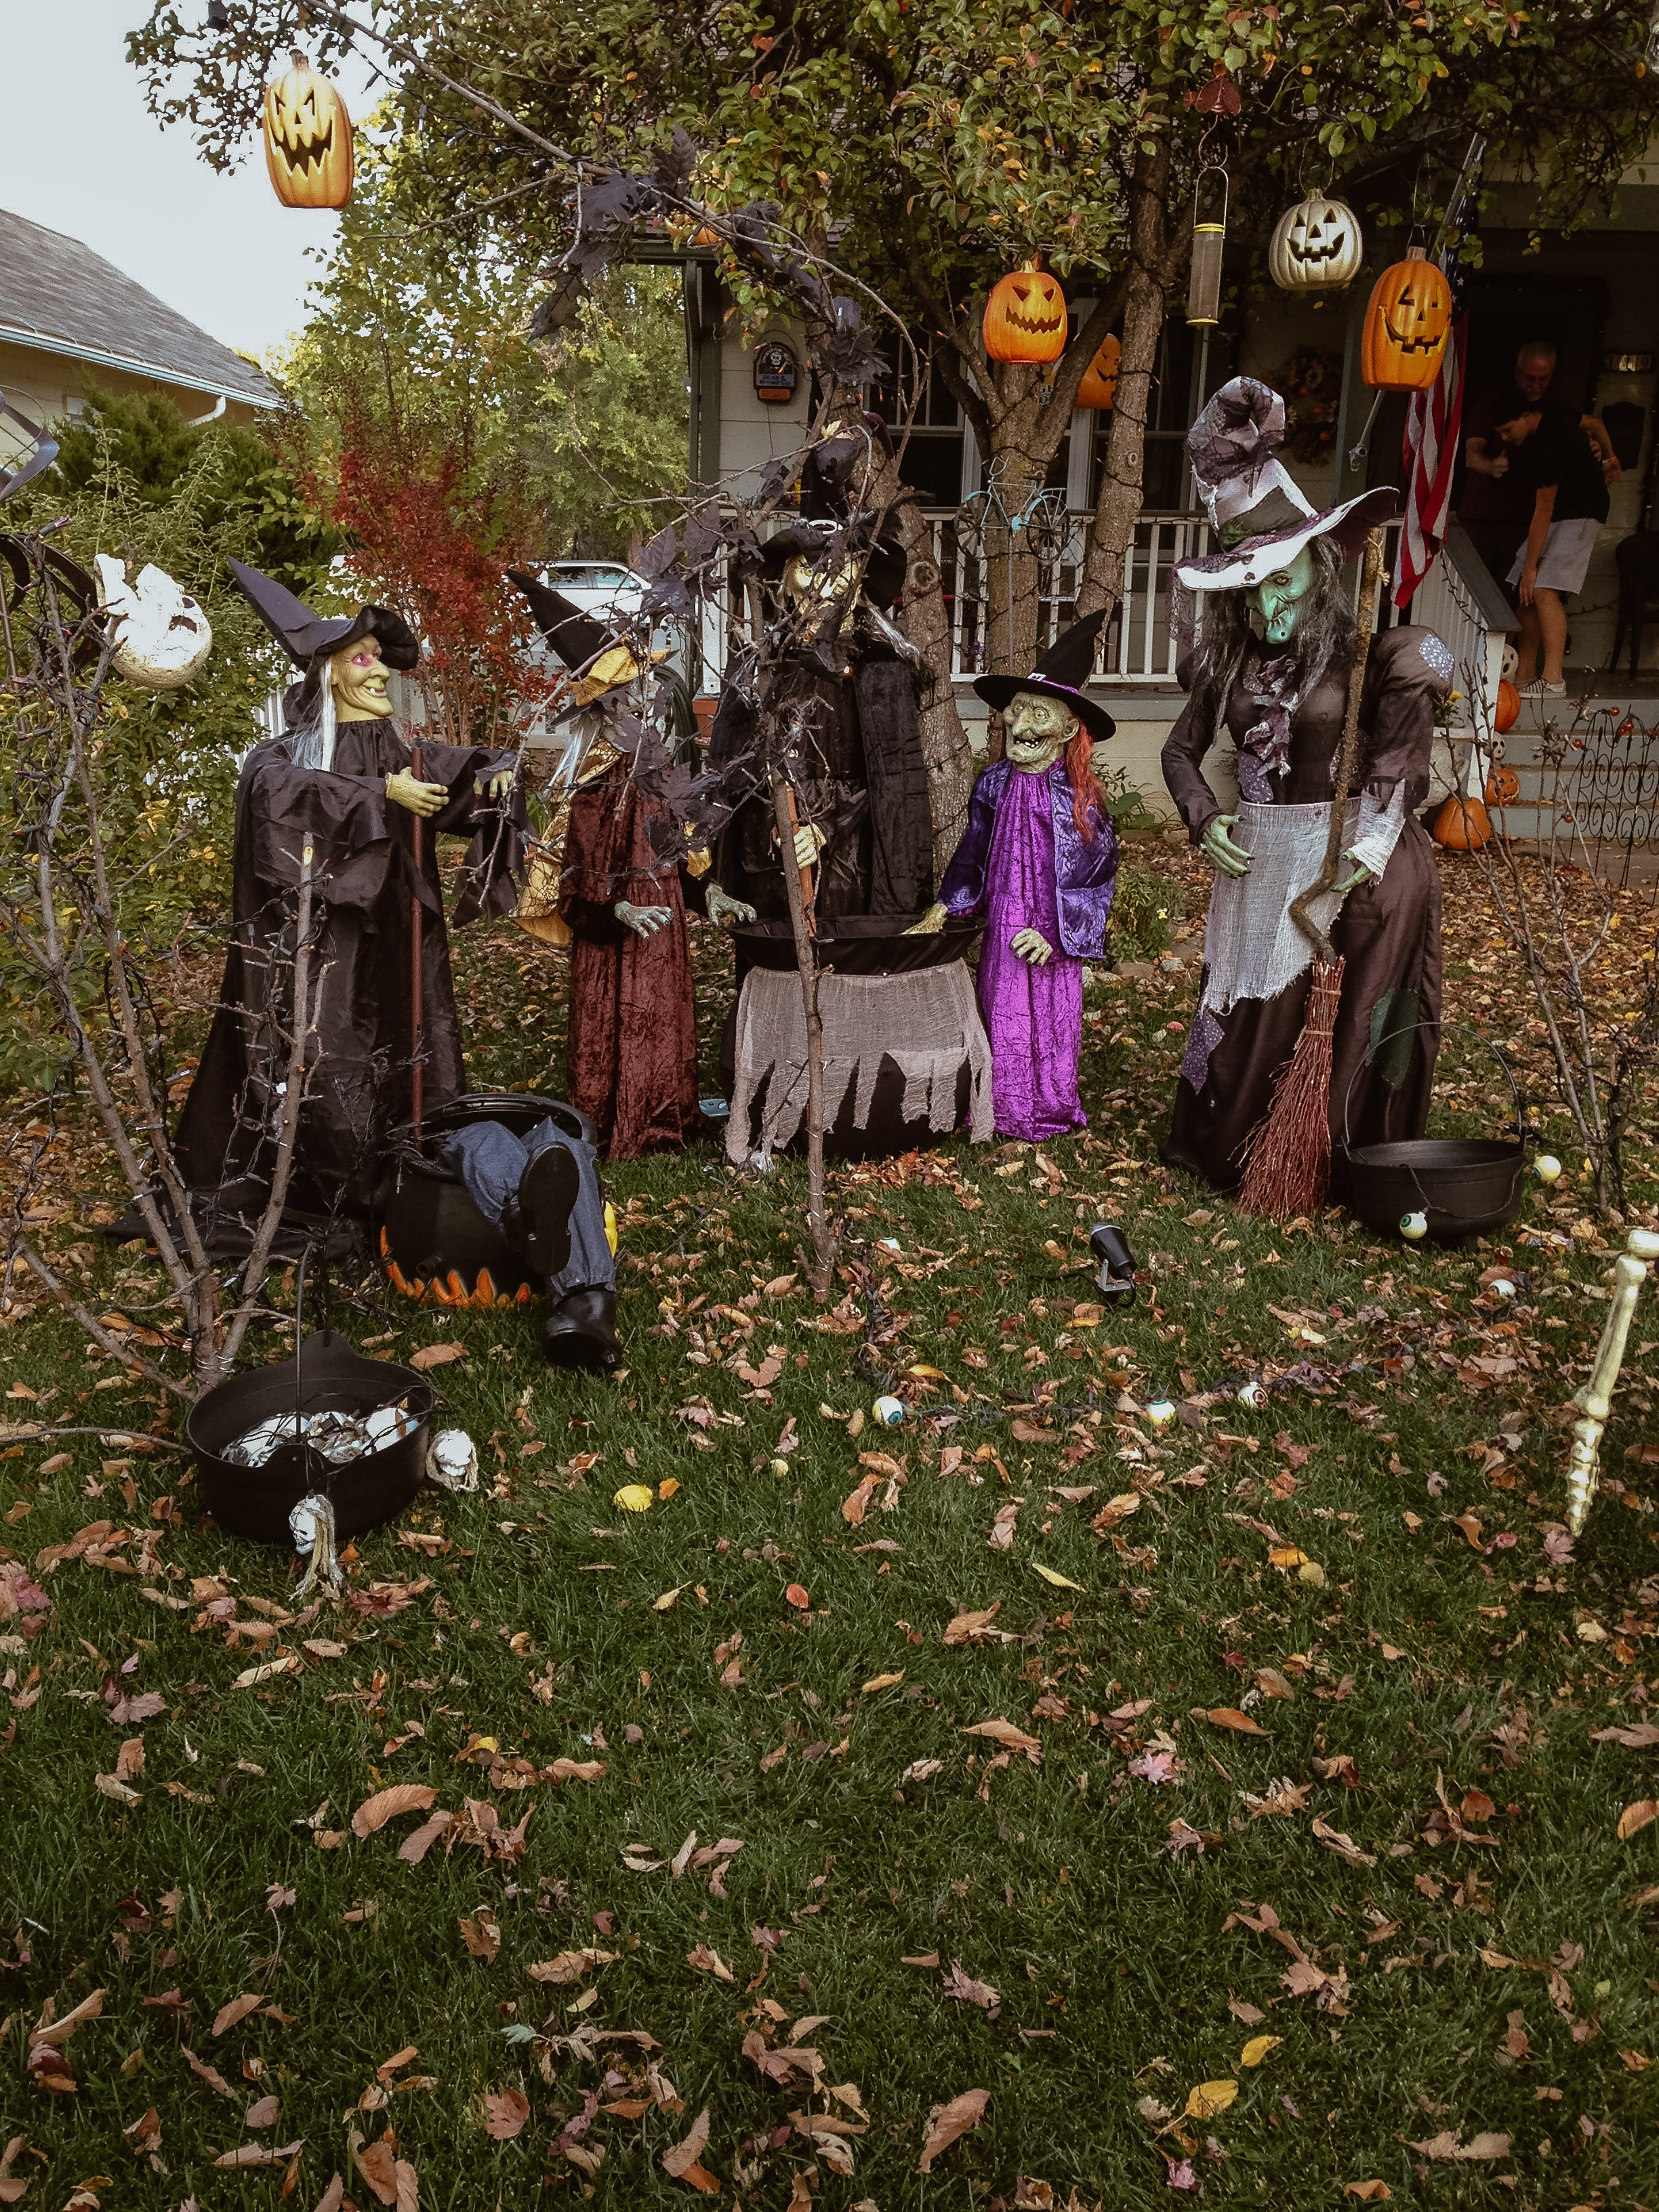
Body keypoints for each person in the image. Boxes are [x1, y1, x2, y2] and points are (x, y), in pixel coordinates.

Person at [1160, 377, 1450, 1193]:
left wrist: (1373, 838)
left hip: (1357, 863)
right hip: (1259, 859)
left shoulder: (1373, 659)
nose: (1267, 602)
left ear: (1321, 569)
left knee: (1347, 1010)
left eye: (1282, 580)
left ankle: (1338, 1161)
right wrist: (1202, 818)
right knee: (1248, 997)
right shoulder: (1225, 664)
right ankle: (1239, 1150)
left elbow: (1413, 717)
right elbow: (1180, 751)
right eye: (1249, 586)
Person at [174, 562, 525, 1226]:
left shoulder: (392, 749)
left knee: (408, 1036)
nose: (379, 671)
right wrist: (378, 794)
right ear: (329, 673)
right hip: (322, 947)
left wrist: (494, 772)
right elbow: (279, 798)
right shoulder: (285, 758)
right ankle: (332, 1184)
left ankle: (406, 1163)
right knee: (328, 1048)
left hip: (396, 940)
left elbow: (444, 771)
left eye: (379, 659)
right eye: (363, 659)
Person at [508, 572, 754, 1158]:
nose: (644, 703)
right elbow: (574, 885)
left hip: (662, 938)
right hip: (616, 953)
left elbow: (675, 855)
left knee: (663, 1023)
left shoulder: (657, 769)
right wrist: (614, 908)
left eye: (643, 688)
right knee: (622, 1027)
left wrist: (708, 893)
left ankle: (667, 1112)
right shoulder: (595, 784)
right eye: (628, 693)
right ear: (601, 706)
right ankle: (622, 1115)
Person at [910, 611, 1119, 1143]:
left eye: (1038, 714)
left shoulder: (1080, 801)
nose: (1020, 725)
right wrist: (946, 905)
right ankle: (999, 1102)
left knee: (1048, 1012)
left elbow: (1095, 878)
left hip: (1050, 929)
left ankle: (1046, 1103)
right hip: (1005, 916)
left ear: (1068, 730)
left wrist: (1057, 936)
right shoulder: (994, 782)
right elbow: (973, 850)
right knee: (1000, 1002)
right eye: (1017, 710)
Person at [430, 1113, 622, 1370]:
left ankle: (590, 1310)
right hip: (452, 1126)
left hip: (518, 1141)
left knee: (558, 1144)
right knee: (487, 1134)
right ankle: (528, 1217)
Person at [1458, 340, 1620, 609]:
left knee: (1527, 595)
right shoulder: (1496, 403)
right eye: (1529, 378)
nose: (1535, 385)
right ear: (1517, 374)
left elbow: (1593, 426)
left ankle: (1517, 639)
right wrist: (1492, 466)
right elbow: (1471, 455)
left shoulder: (1556, 410)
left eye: (1543, 379)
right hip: (1487, 514)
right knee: (1480, 593)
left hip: (1536, 517)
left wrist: (1606, 457)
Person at [1485, 396, 1612, 698]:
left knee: (1542, 589)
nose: (1506, 438)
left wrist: (1532, 568)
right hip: (1560, 514)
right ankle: (1525, 675)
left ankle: (1553, 680)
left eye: (1507, 430)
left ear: (1525, 415)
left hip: (1583, 513)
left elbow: (1544, 507)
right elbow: (1595, 423)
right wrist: (1611, 457)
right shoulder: (1556, 416)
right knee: (1525, 593)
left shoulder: (1549, 443)